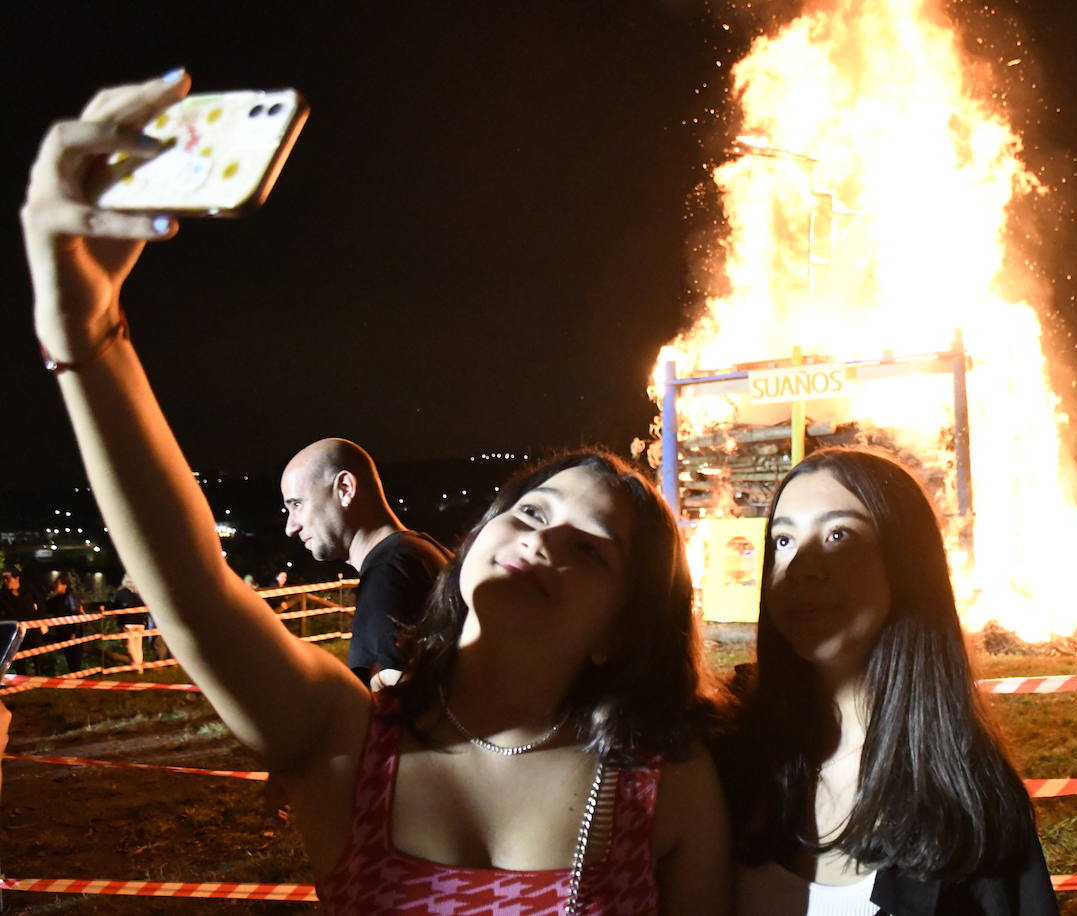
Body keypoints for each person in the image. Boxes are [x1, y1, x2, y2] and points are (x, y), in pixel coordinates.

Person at [21, 72, 731, 913]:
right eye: (532, 513)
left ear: (622, 630)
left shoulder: (662, 783)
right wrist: (84, 330)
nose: (544, 541)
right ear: (471, 547)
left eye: (590, 550)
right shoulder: (346, 736)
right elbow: (191, 586)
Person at [715, 447, 1058, 915]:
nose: (801, 568)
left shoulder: (971, 796)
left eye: (839, 534)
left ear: (905, 567)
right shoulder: (721, 756)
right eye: (783, 541)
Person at [281, 438, 451, 685]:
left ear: (346, 489)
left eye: (297, 504)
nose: (290, 527)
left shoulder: (390, 574)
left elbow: (396, 711)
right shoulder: (415, 552)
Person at [45, 573, 88, 675]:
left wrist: (74, 632)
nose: (55, 586)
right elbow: (45, 606)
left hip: (73, 631)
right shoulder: (57, 598)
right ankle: (75, 680)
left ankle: (77, 681)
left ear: (65, 585)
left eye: (57, 584)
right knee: (69, 657)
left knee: (75, 658)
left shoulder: (71, 597)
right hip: (63, 631)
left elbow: (75, 613)